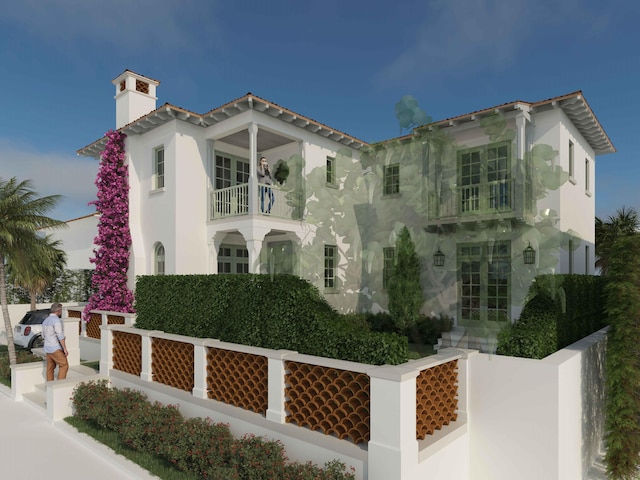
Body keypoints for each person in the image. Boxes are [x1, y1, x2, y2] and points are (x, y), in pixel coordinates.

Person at [42, 302, 69, 381]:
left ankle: (50, 386)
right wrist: (65, 349)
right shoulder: (56, 320)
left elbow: (43, 335)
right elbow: (60, 335)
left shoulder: (45, 321)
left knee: (50, 368)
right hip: (55, 347)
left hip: (47, 347)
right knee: (64, 365)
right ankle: (59, 386)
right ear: (58, 311)